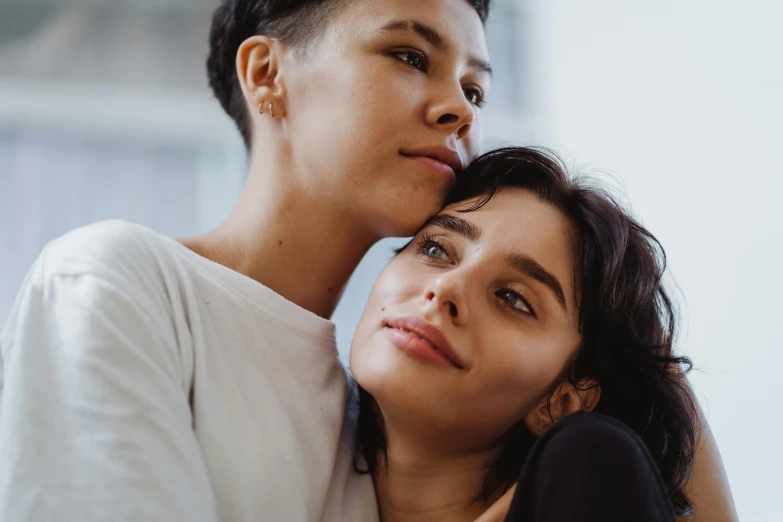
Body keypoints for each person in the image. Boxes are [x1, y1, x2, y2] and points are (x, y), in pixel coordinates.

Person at [0, 0, 493, 520]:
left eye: (475, 90)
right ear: (266, 74)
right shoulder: (114, 280)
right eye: (410, 57)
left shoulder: (374, 414)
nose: (460, 111)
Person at [349, 146, 738, 522]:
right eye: (436, 250)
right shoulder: (303, 444)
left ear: (563, 400)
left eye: (513, 299)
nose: (447, 289)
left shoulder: (591, 459)